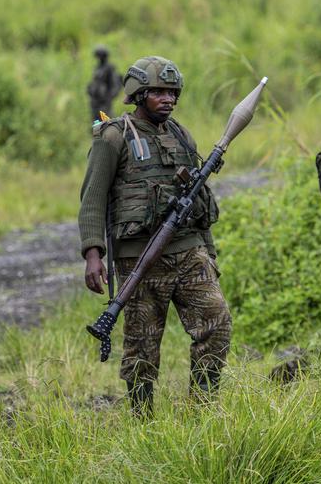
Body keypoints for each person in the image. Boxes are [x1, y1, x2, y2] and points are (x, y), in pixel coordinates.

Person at [78, 56, 232, 414]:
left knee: (217, 322)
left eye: (173, 93)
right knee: (143, 347)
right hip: (139, 259)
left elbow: (198, 197)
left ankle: (203, 409)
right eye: (159, 92)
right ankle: (142, 419)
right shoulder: (114, 137)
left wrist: (209, 251)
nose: (168, 99)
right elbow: (93, 198)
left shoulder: (180, 134)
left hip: (189, 251)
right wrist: (92, 253)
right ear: (139, 93)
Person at [86, 44, 123, 122]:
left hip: (104, 103)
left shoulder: (109, 68)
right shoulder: (98, 68)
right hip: (95, 102)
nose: (99, 58)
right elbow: (95, 82)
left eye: (100, 55)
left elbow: (115, 85)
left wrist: (108, 98)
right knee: (96, 124)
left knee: (106, 123)